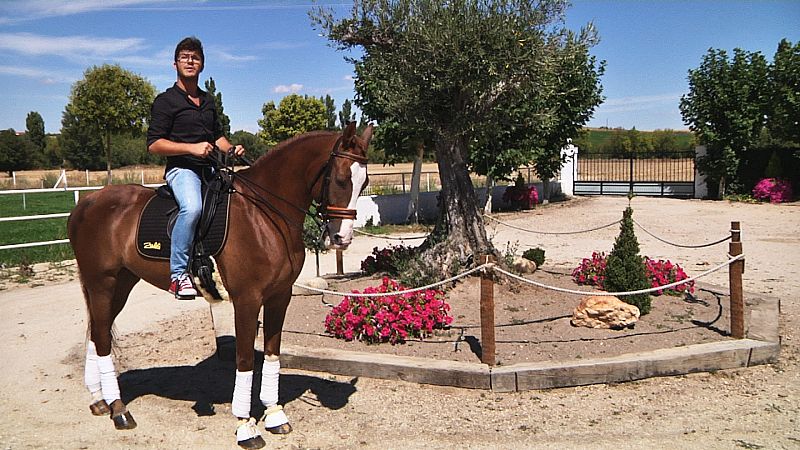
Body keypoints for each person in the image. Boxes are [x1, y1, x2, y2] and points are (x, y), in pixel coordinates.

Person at [147, 36, 245, 300]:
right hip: (182, 170)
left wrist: (231, 149)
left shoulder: (208, 100)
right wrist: (190, 148)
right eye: (185, 57)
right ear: (175, 64)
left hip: (210, 170)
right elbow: (154, 144)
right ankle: (178, 275)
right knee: (192, 208)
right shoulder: (165, 101)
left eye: (195, 58)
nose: (190, 61)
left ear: (202, 65)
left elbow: (217, 136)